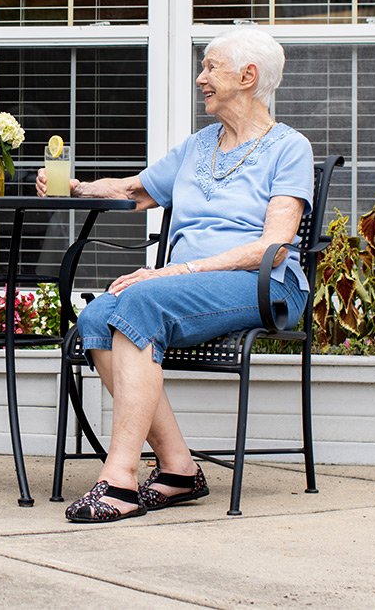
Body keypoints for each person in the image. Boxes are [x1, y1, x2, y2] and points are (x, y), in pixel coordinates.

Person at [38, 27, 313, 523]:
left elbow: (273, 248)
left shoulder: (288, 148)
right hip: (189, 284)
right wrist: (75, 189)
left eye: (211, 67)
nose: (200, 78)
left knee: (143, 302)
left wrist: (175, 270)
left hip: (265, 285)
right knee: (99, 315)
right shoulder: (197, 146)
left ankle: (119, 481)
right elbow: (132, 191)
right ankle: (178, 469)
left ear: (248, 77)